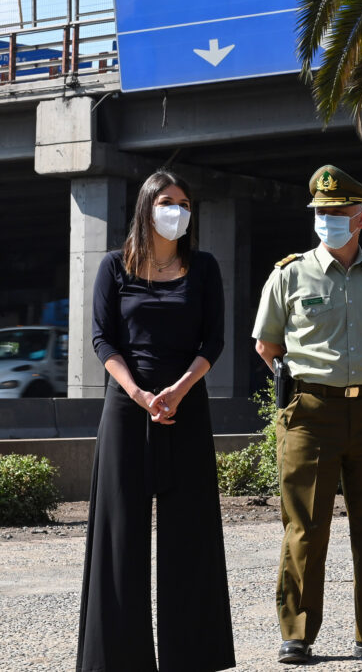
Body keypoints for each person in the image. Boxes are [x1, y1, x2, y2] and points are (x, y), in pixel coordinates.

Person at [252, 165, 362, 665]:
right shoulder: (289, 274)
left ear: (361, 217)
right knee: (305, 526)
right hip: (309, 413)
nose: (327, 219)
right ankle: (297, 634)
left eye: (337, 212)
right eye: (321, 212)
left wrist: (360, 381)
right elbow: (267, 344)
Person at [77, 170, 235, 671]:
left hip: (186, 404)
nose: (178, 210)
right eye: (168, 201)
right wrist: (140, 393)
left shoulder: (204, 267)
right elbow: (103, 339)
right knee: (120, 532)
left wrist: (179, 390)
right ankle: (117, 659)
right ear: (146, 208)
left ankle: (193, 657)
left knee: (190, 533)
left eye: (185, 202)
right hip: (128, 406)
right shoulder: (113, 266)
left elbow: (213, 341)